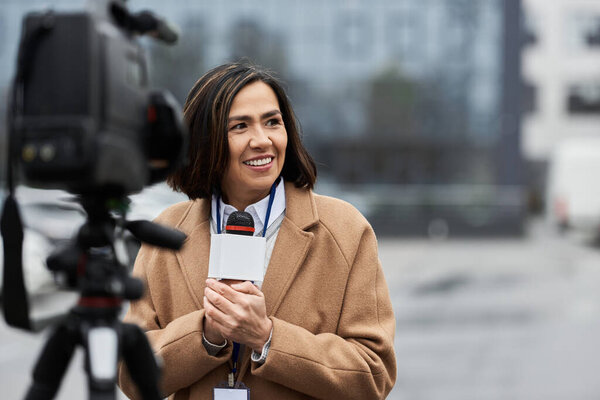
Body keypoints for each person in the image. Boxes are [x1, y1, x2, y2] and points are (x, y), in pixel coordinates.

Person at [118, 62, 396, 399]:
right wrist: (206, 334)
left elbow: (373, 374)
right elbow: (130, 376)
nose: (262, 140)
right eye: (240, 126)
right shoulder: (165, 234)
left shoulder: (345, 230)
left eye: (272, 122)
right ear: (205, 141)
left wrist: (267, 337)